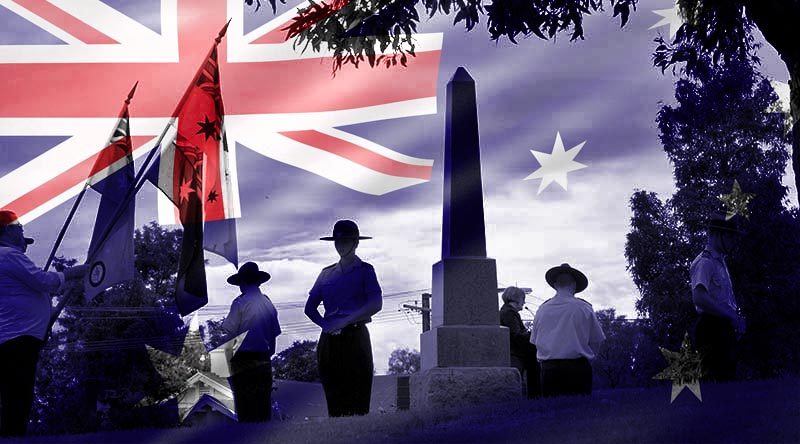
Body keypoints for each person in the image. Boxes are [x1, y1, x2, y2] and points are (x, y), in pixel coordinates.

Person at [0, 209, 87, 436]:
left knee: (15, 392)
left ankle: (12, 434)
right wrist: (71, 273)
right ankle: (13, 435)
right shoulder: (8, 255)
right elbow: (43, 281)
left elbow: (38, 292)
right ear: (6, 231)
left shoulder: (8, 258)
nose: (23, 235)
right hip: (19, 336)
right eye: (19, 228)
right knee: (19, 392)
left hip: (17, 336)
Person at [304, 220, 382, 417]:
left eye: (346, 241)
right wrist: (326, 325)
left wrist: (345, 321)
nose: (341, 246)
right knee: (334, 393)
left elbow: (375, 304)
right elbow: (310, 308)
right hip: (330, 340)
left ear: (356, 243)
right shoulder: (326, 274)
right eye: (337, 242)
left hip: (356, 336)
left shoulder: (365, 270)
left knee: (358, 393)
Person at [530, 263, 605, 397]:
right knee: (579, 413)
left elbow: (535, 341)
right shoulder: (584, 308)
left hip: (549, 371)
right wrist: (589, 358)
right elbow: (596, 340)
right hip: (578, 369)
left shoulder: (542, 310)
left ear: (555, 285)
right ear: (574, 285)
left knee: (552, 413)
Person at [220, 261, 281, 422]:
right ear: (258, 282)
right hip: (263, 357)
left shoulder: (240, 303)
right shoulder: (268, 303)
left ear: (243, 283)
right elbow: (274, 336)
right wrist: (267, 353)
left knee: (245, 406)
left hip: (243, 359)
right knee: (262, 406)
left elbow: (230, 335)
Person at [690, 212, 745, 383]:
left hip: (723, 326)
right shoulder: (705, 262)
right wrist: (729, 315)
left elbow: (723, 298)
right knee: (714, 383)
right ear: (717, 235)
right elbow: (699, 297)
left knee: (728, 380)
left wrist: (734, 317)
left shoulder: (720, 262)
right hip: (710, 327)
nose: (733, 241)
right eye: (730, 236)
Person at [499, 286, 540, 399]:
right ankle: (535, 397)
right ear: (516, 299)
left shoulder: (506, 311)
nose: (524, 302)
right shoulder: (509, 313)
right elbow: (516, 336)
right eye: (523, 298)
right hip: (516, 354)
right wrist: (533, 334)